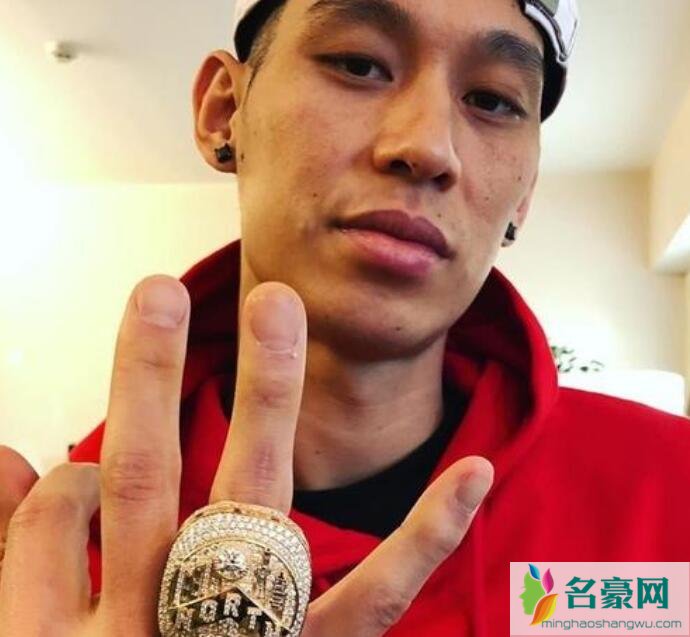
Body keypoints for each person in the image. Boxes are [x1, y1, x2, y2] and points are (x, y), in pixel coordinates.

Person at [0, 0, 689, 635]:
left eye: (491, 100)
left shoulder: (671, 491)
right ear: (224, 112)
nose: (427, 147)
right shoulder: (54, 566)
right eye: (358, 64)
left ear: (525, 192)